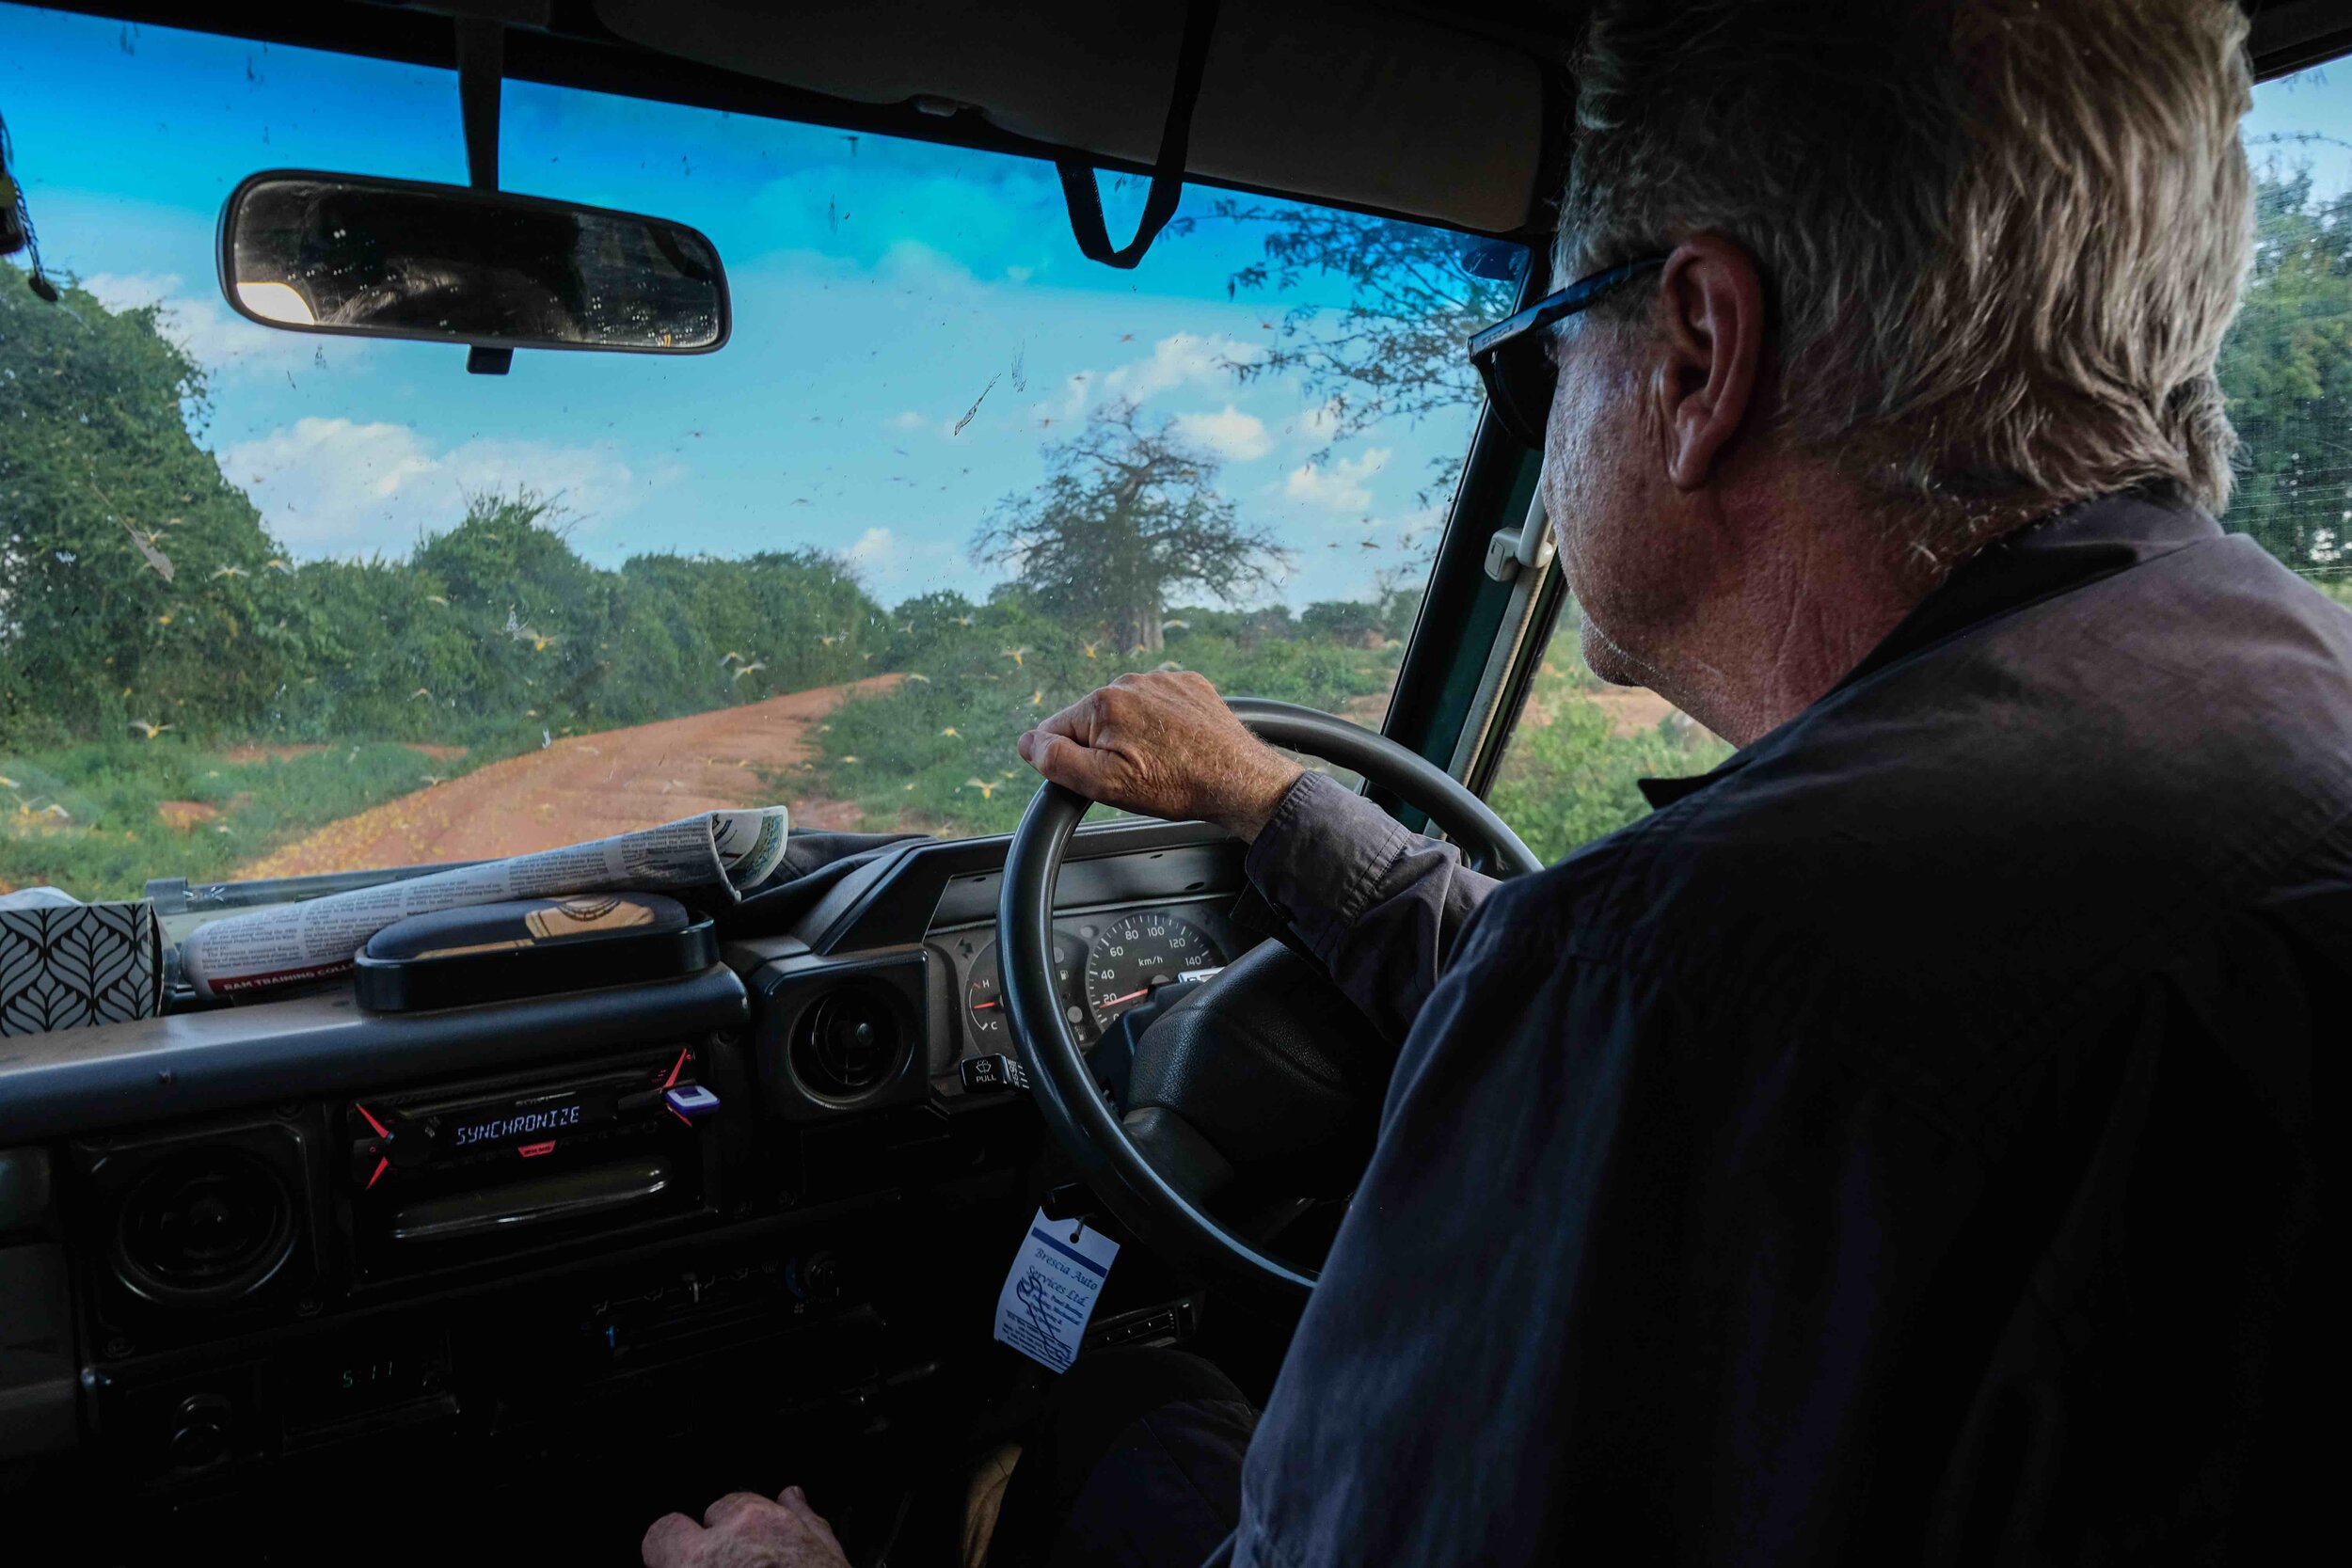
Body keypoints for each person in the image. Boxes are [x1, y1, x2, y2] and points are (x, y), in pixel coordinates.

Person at [645, 0, 2334, 1561]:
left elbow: (1667, 1015)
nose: (1541, 421)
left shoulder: (1682, 986)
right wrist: (1268, 801)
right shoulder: (2281, 712)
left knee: (1145, 1413)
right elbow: (1667, 1023)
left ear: (1693, 354)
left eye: (1540, 353)